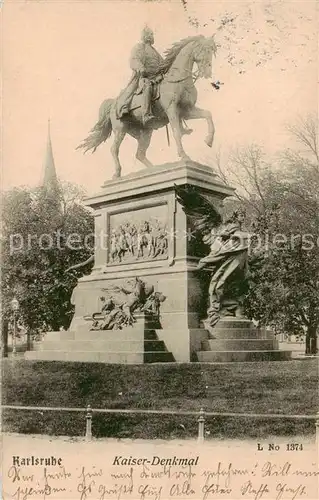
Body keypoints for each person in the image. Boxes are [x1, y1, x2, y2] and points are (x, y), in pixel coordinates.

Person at [116, 26, 164, 124]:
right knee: (147, 86)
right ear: (145, 36)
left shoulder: (155, 51)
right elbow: (134, 60)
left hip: (156, 78)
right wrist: (141, 68)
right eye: (150, 34)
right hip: (143, 78)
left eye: (152, 34)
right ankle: (146, 115)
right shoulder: (139, 47)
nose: (152, 36)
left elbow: (162, 64)